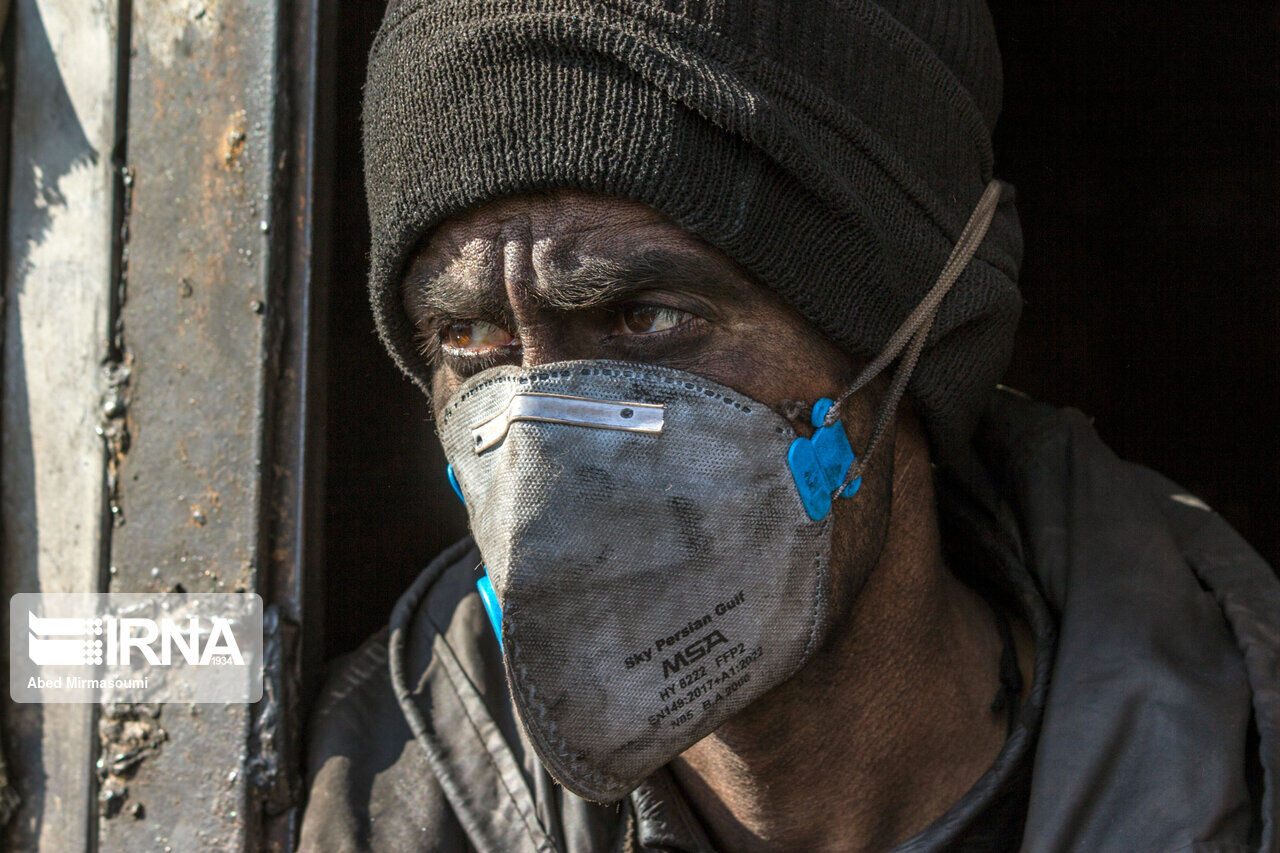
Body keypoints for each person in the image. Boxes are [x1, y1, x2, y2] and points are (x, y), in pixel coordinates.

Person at [300, 1, 1279, 850]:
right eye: (470, 338)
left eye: (645, 316)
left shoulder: (1240, 769)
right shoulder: (356, 801)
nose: (544, 449)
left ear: (905, 339)